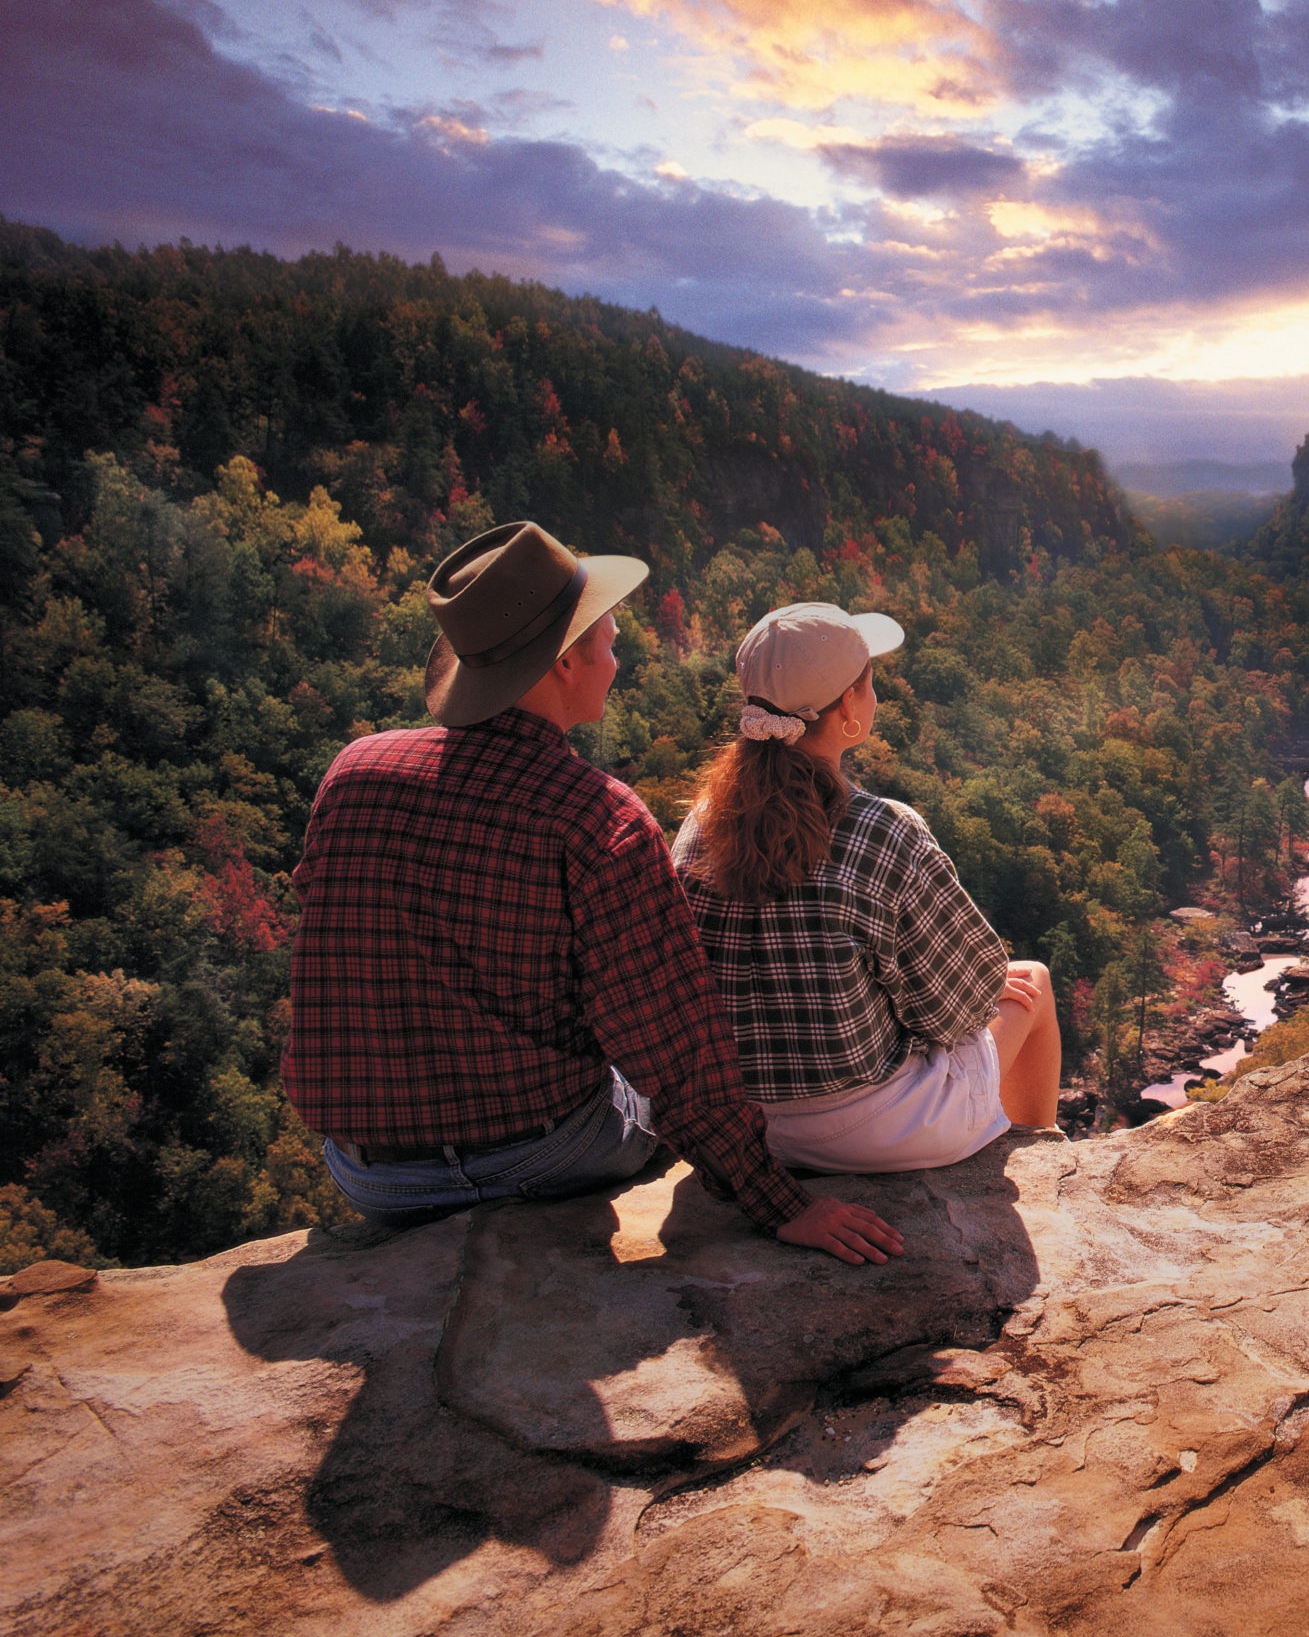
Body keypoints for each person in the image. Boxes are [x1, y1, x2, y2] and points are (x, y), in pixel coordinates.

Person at [284, 521, 904, 1265]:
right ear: (568, 662)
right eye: (610, 639)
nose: (620, 654)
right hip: (540, 1158)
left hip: (371, 1175)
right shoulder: (594, 817)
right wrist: (779, 1203)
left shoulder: (354, 773)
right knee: (635, 1076)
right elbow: (674, 1046)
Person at [672, 601, 1059, 1172]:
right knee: (1032, 981)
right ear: (850, 705)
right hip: (869, 1130)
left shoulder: (700, 826)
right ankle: (1041, 1156)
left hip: (738, 1124)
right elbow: (961, 1012)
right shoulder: (883, 829)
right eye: (870, 680)